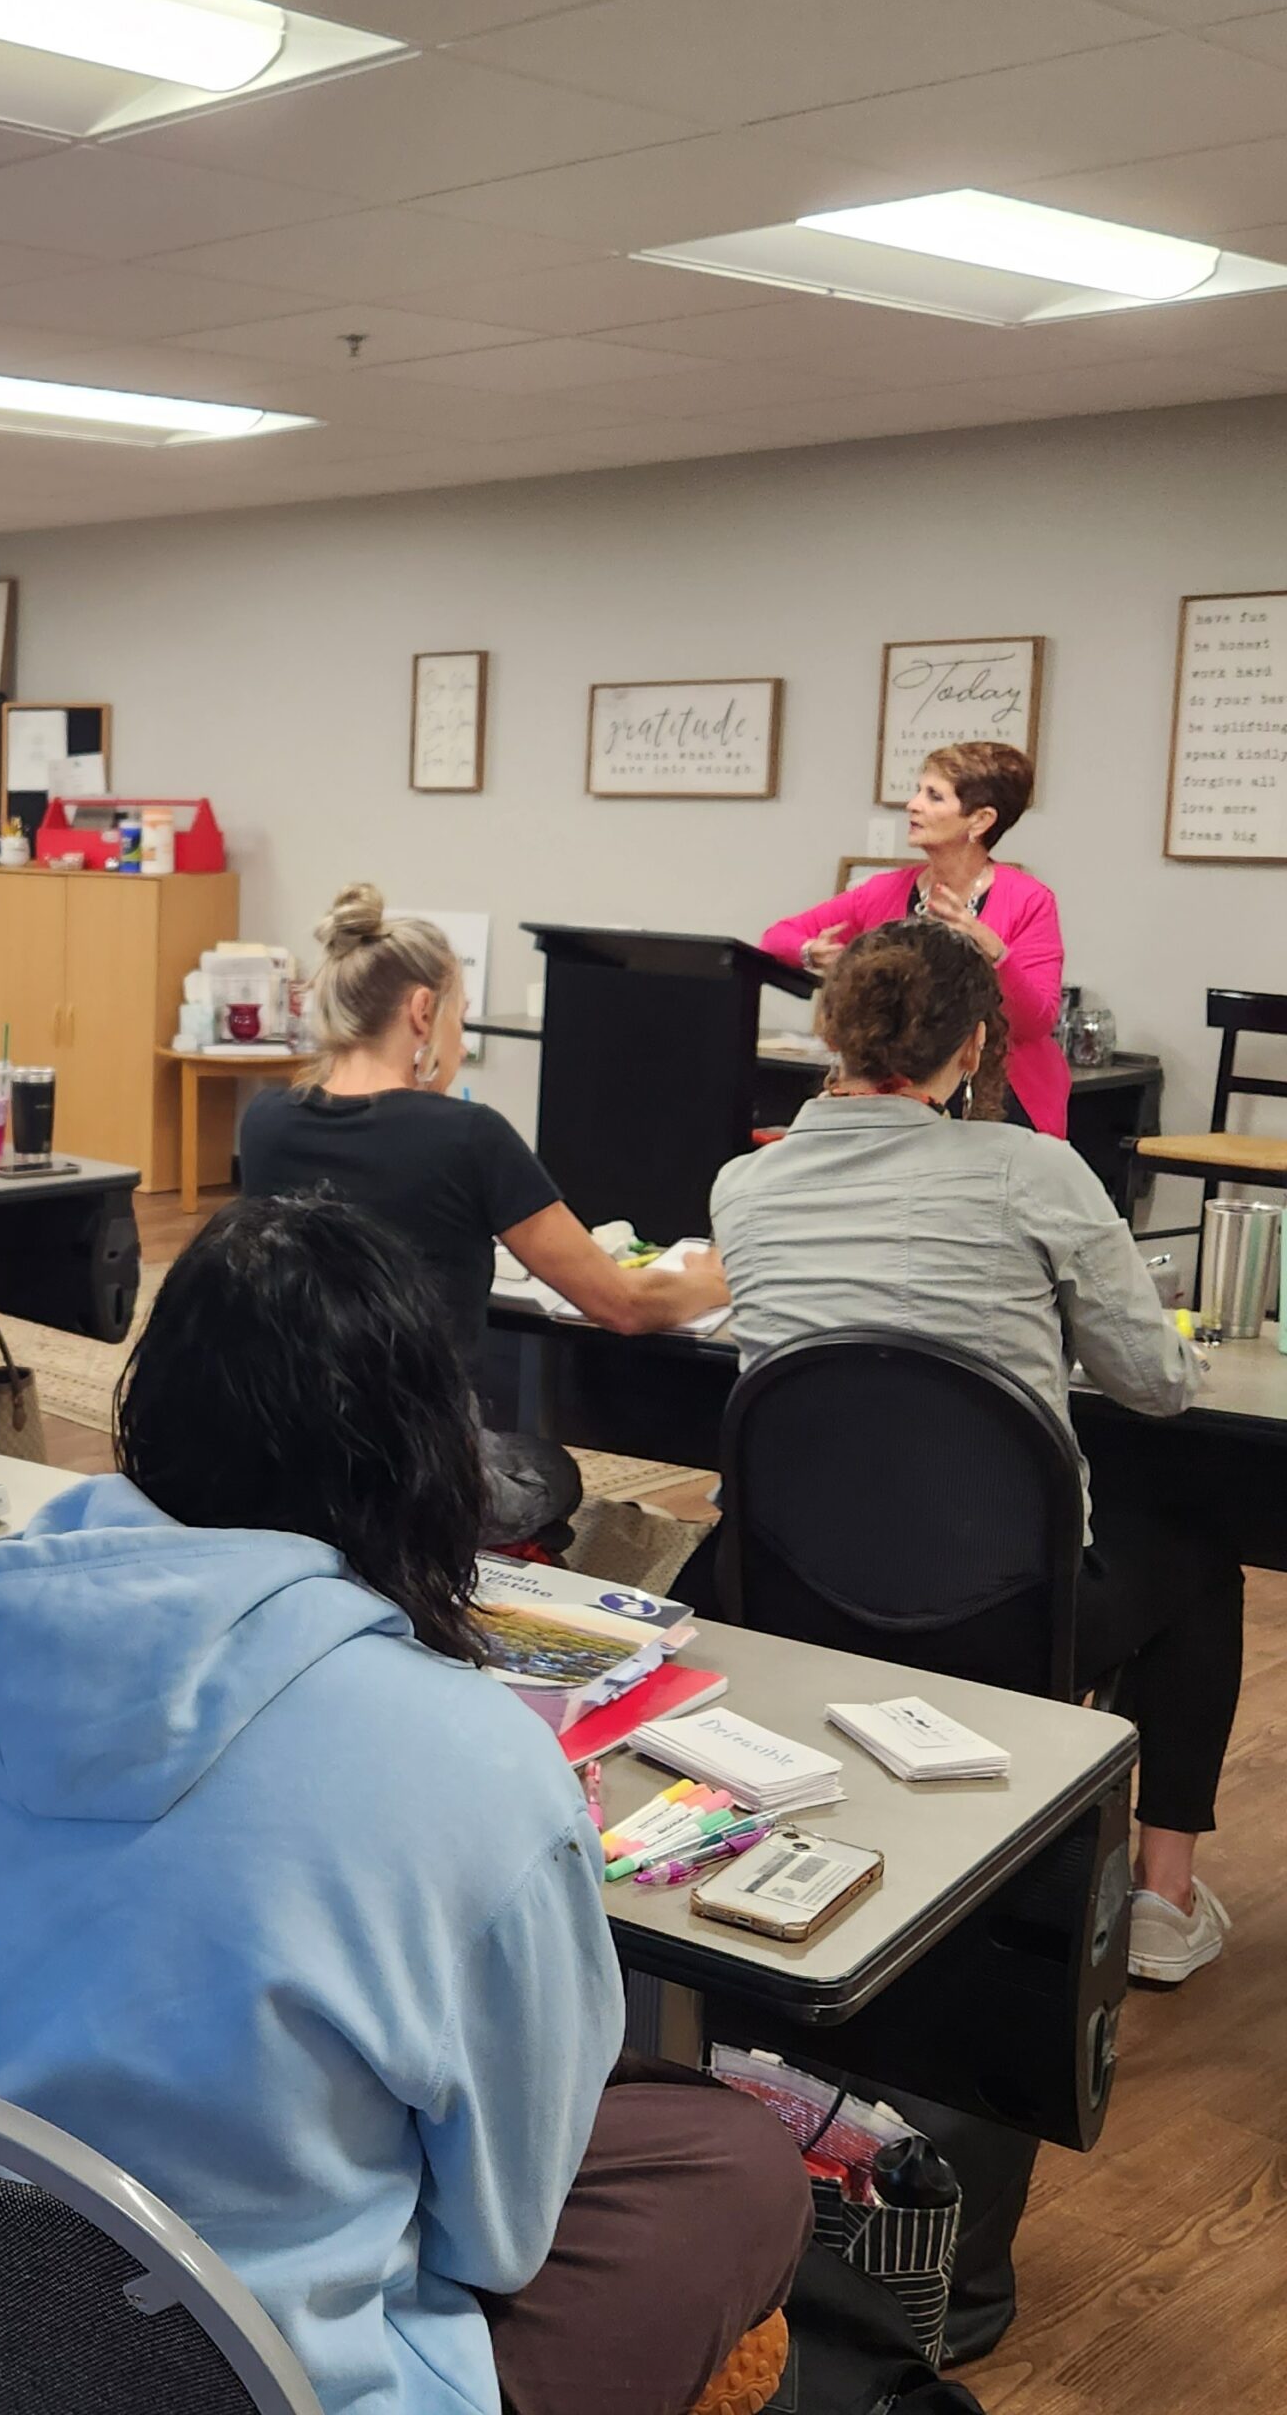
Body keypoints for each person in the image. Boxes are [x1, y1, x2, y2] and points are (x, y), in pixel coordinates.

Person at [0, 1195, 810, 2415]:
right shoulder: (471, 1753)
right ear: (426, 1454)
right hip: (248, 2372)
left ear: (149, 1418)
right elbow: (497, 2240)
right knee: (736, 2170)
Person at [708, 918, 1233, 1987]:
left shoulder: (742, 1188)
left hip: (790, 1593)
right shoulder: (1034, 1170)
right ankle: (1163, 1903)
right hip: (1001, 1614)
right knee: (1199, 1559)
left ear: (831, 1032)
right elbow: (1152, 1384)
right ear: (975, 1048)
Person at [239, 886, 728, 1548]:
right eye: (457, 1018)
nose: (459, 1038)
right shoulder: (467, 1137)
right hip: (419, 1470)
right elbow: (622, 1305)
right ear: (420, 1011)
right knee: (551, 1468)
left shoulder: (264, 1123)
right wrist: (718, 1278)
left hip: (285, 1453)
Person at [760, 741, 1066, 1135]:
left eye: (933, 796)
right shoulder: (882, 891)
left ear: (980, 820)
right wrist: (810, 952)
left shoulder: (1030, 901)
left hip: (999, 1099)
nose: (912, 804)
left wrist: (992, 951)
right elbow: (776, 937)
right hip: (894, 1096)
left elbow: (1035, 1023)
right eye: (919, 790)